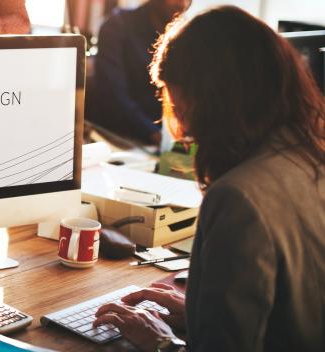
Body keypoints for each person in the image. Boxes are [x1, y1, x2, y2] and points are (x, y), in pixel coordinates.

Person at [94, 6, 325, 352]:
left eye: (184, 112)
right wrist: (201, 314)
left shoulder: (238, 198)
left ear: (216, 103)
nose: (185, 131)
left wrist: (158, 340)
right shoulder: (310, 159)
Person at [89, 0, 192, 145]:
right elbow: (113, 94)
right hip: (120, 139)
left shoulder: (185, 34)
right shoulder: (117, 25)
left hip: (167, 140)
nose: (182, 4)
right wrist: (154, 134)